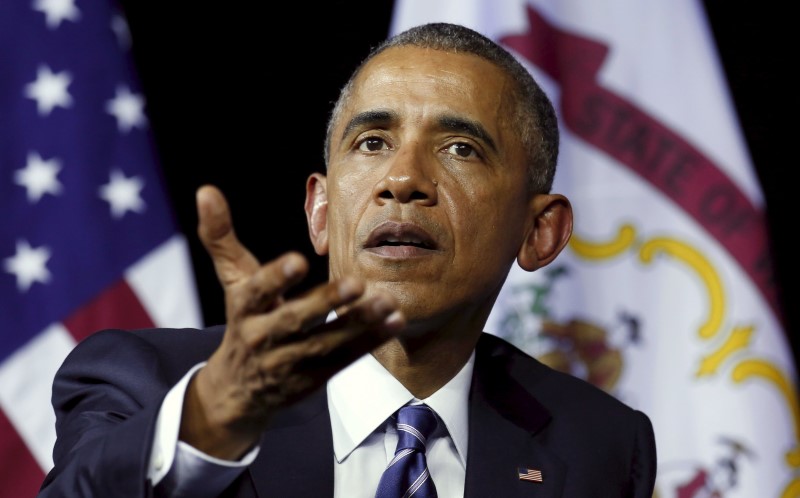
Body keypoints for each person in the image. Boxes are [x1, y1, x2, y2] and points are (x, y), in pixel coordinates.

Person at [38, 22, 657, 497]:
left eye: (462, 149)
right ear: (321, 210)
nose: (404, 179)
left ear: (539, 231)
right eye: (372, 142)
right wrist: (206, 426)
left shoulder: (597, 443)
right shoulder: (149, 383)